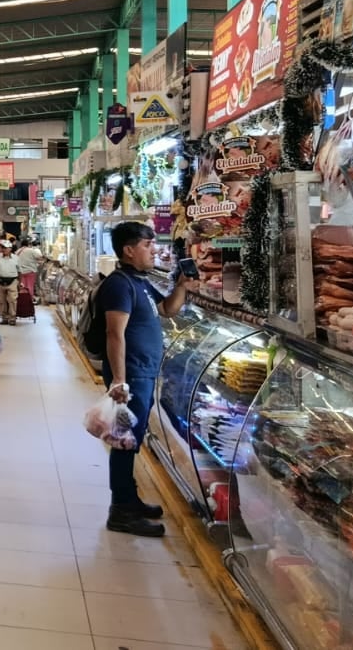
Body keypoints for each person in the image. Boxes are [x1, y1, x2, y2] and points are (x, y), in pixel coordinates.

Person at [98, 222, 195, 538]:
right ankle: (121, 511)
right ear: (129, 250)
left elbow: (167, 310)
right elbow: (115, 333)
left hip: (142, 372)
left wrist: (182, 284)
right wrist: (120, 381)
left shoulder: (139, 282)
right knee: (124, 442)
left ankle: (129, 499)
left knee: (132, 440)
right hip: (131, 376)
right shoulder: (119, 284)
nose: (155, 250)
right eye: (148, 245)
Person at [0, 241, 22, 325]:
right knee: (1, 301)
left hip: (13, 281)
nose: (3, 249)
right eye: (2, 247)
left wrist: (19, 282)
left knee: (12, 300)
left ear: (10, 249)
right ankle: (4, 317)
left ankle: (12, 317)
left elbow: (20, 271)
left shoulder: (16, 258)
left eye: (5, 248)